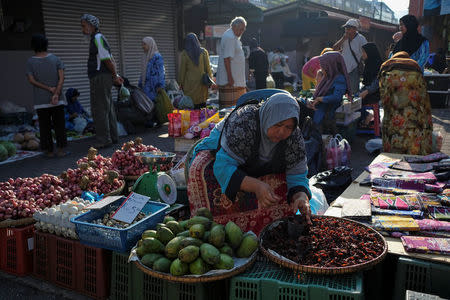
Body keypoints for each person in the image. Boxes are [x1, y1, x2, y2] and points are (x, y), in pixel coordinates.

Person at [188, 93, 312, 234]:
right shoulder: (244, 124)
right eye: (277, 124)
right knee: (203, 168)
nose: (282, 132)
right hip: (225, 147)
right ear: (268, 118)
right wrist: (257, 186)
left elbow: (298, 173)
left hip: (256, 159)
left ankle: (270, 232)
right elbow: (223, 166)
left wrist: (301, 196)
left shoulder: (293, 137)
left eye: (288, 127)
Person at [81, 14, 123, 149]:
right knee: (108, 107)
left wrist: (115, 76)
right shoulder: (98, 38)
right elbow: (110, 59)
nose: (82, 28)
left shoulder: (98, 38)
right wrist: (114, 75)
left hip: (100, 77)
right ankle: (113, 136)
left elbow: (107, 60)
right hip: (104, 77)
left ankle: (104, 139)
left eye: (84, 25)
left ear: (91, 25)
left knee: (99, 108)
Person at [379, 51, 433, 155]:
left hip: (393, 119)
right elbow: (423, 98)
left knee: (394, 151)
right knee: (412, 142)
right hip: (413, 119)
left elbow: (384, 98)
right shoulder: (415, 68)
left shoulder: (386, 68)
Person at [26, 34, 68, 158]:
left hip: (40, 101)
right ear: (46, 45)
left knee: (44, 127)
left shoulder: (30, 62)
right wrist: (55, 93)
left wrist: (48, 88)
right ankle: (61, 150)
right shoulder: (55, 59)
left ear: (33, 46)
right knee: (59, 125)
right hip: (57, 99)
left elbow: (31, 80)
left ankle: (49, 151)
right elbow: (62, 78)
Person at [307, 52, 351, 132]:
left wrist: (320, 99)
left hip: (327, 114)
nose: (321, 68)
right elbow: (318, 93)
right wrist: (312, 100)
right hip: (319, 110)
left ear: (331, 65)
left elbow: (336, 97)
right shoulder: (328, 77)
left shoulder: (339, 78)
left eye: (323, 66)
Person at [216, 16, 247, 108]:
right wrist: (230, 78)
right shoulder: (230, 37)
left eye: (243, 30)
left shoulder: (232, 36)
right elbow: (227, 59)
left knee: (234, 109)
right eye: (240, 29)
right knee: (230, 111)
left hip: (235, 82)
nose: (241, 32)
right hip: (231, 82)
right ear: (234, 27)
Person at [333, 19, 367, 95]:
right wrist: (343, 39)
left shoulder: (361, 39)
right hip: (342, 69)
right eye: (346, 28)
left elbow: (365, 54)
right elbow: (334, 48)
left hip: (354, 69)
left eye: (349, 28)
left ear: (355, 29)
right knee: (341, 92)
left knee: (353, 93)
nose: (346, 30)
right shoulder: (344, 38)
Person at [178, 33, 212, 108]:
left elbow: (182, 71)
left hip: (189, 85)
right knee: (202, 107)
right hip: (202, 85)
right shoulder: (204, 52)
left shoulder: (184, 53)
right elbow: (208, 68)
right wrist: (210, 80)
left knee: (191, 108)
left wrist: (180, 83)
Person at [358, 43, 383, 127]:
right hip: (368, 91)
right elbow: (366, 82)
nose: (362, 54)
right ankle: (368, 117)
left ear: (370, 52)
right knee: (353, 100)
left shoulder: (379, 65)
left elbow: (377, 83)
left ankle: (367, 117)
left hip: (376, 93)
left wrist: (366, 91)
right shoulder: (368, 64)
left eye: (364, 52)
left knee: (356, 102)